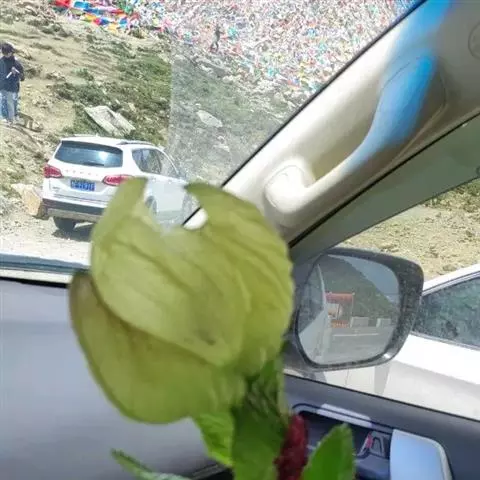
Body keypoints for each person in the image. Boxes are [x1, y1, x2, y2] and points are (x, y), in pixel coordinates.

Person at [0, 43, 25, 124]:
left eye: (9, 53)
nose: (7, 54)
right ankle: (4, 117)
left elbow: (22, 76)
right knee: (3, 100)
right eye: (5, 53)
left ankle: (14, 116)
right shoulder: (1, 61)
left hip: (13, 86)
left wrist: (16, 72)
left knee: (13, 101)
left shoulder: (16, 62)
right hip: (3, 85)